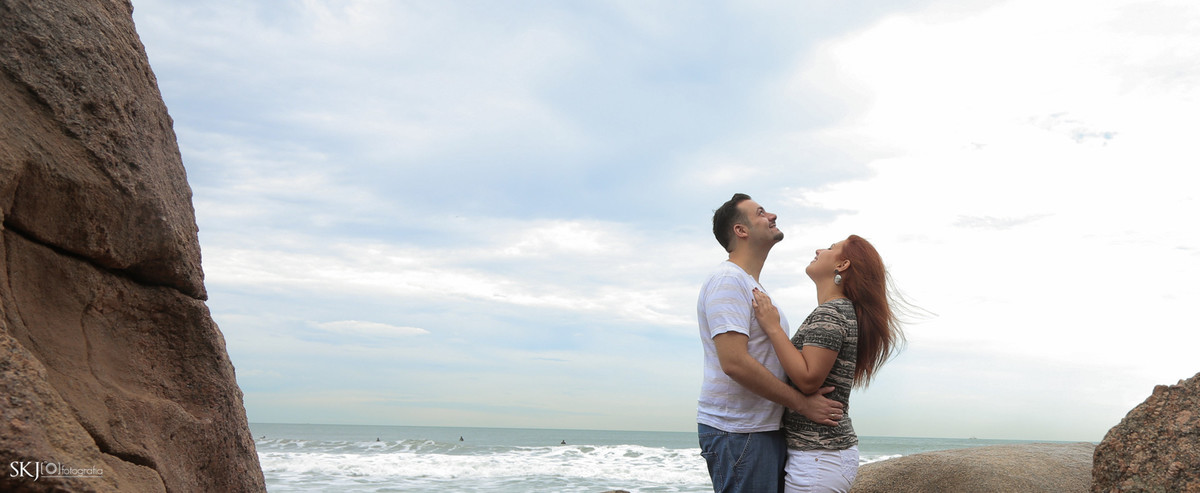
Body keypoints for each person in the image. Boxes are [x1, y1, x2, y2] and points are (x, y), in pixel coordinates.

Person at [698, 193, 846, 493]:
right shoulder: (727, 280)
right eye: (761, 213)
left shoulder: (749, 284)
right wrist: (803, 405)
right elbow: (735, 363)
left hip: (758, 429)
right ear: (741, 231)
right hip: (738, 431)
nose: (772, 215)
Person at [751, 235, 904, 493]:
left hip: (819, 458)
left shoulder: (831, 313)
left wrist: (773, 327)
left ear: (842, 265)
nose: (819, 249)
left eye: (831, 248)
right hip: (820, 456)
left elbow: (808, 379)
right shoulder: (839, 311)